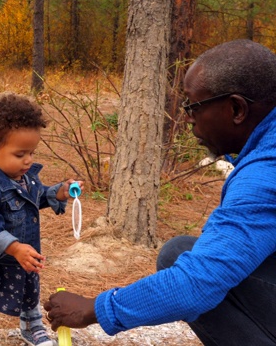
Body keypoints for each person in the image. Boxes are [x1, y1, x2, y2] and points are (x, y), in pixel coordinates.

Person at [44, 39, 276, 345]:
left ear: (236, 108)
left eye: (193, 107)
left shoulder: (264, 176)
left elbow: (196, 284)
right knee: (180, 250)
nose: (188, 119)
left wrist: (95, 308)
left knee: (184, 261)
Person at [0, 93, 83, 346]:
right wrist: (14, 248)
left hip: (22, 255)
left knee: (29, 295)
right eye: (20, 154)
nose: (28, 160)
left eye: (32, 152)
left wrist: (59, 191)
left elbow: (35, 197)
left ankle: (32, 327)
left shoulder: (24, 177)